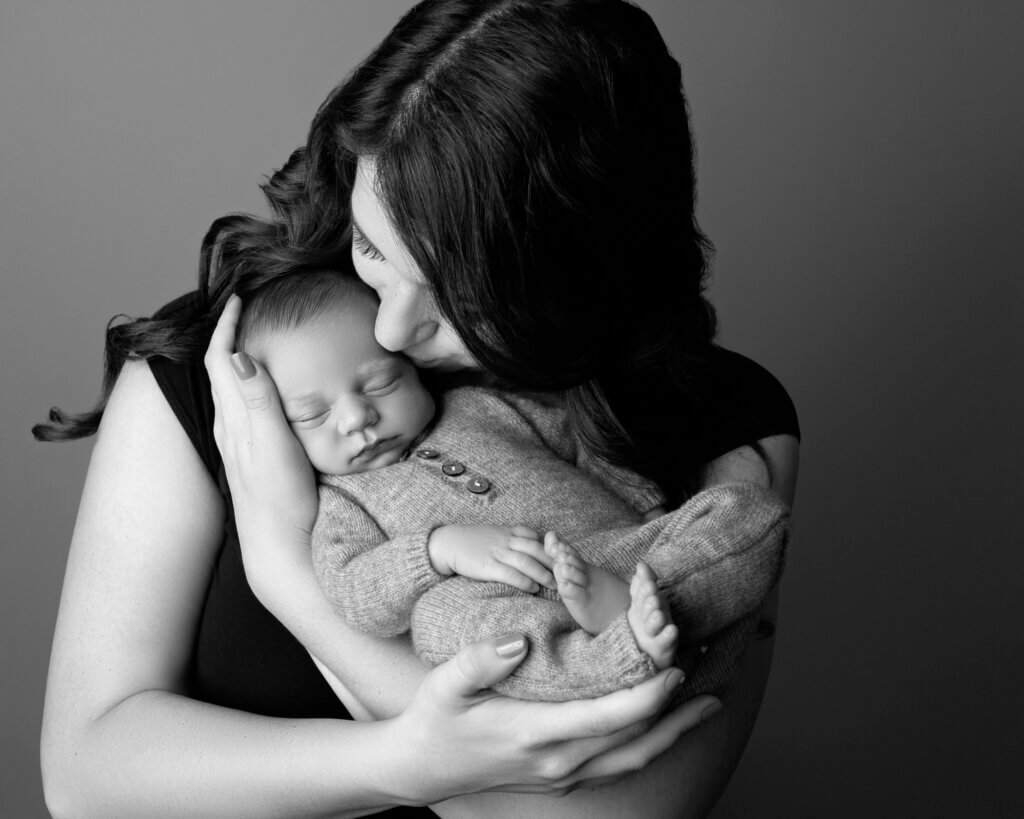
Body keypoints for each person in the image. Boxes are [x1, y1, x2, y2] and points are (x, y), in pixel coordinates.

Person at [36, 1, 799, 816]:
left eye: (458, 295)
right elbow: (86, 776)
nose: (392, 328)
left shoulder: (726, 424)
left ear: (579, 277)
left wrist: (288, 575)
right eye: (372, 246)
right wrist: (391, 763)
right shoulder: (230, 372)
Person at [233, 263, 790, 702]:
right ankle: (617, 657)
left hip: (627, 558)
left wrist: (648, 512)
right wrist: (436, 552)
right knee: (439, 626)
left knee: (747, 510)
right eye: (312, 416)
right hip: (513, 604)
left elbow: (583, 446)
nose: (356, 418)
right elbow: (356, 594)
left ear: (413, 368)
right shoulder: (342, 501)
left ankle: (657, 618)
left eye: (379, 383)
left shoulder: (482, 407)